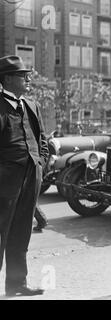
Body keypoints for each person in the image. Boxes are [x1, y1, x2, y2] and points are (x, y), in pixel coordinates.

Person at [0, 55, 49, 296]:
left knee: (21, 233)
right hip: (4, 185)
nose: (28, 78)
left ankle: (16, 285)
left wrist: (40, 163)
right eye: (22, 75)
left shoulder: (32, 105)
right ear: (7, 79)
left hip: (31, 179)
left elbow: (42, 140)